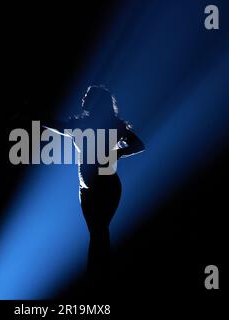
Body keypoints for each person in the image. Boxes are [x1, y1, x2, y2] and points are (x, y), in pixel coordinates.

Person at [43, 85, 144, 294]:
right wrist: (37, 118)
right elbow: (59, 126)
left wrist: (118, 154)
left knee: (98, 234)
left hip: (106, 187)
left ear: (98, 100)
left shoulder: (114, 125)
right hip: (85, 191)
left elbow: (138, 145)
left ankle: (98, 283)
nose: (83, 99)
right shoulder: (81, 124)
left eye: (87, 96)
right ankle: (99, 280)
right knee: (97, 234)